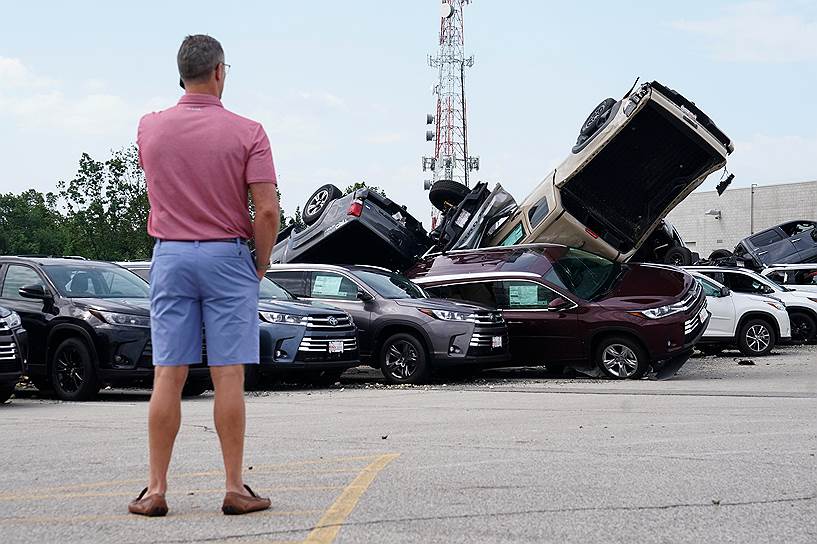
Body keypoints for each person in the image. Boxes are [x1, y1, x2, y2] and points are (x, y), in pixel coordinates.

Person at [129, 34, 280, 517]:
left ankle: (155, 490)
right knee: (228, 373)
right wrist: (259, 262)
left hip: (171, 255)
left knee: (167, 375)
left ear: (182, 74)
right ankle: (235, 487)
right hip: (227, 257)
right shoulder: (248, 131)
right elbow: (268, 211)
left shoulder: (150, 128)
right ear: (219, 72)